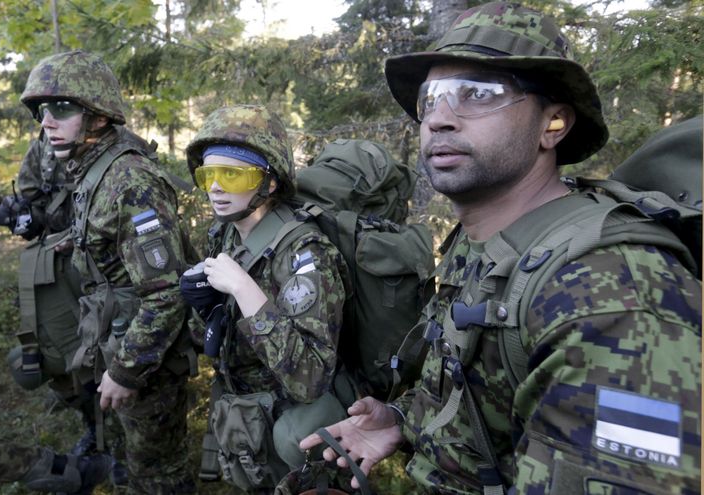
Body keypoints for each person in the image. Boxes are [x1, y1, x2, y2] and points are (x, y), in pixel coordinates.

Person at [300, 3, 701, 494]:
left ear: (552, 124)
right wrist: (405, 419)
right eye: (432, 99)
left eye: (478, 94)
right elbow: (488, 395)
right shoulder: (488, 247)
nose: (439, 120)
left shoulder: (610, 290)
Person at [19, 49, 199, 494]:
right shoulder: (91, 170)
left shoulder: (130, 182)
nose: (47, 122)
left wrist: (126, 370)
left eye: (61, 109)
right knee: (126, 462)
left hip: (146, 360)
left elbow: (166, 293)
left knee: (158, 475)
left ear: (98, 117)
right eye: (43, 111)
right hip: (114, 340)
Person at [181, 104, 350, 492]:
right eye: (208, 175)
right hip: (248, 415)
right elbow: (214, 343)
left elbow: (310, 379)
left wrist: (245, 290)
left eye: (232, 175)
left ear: (269, 183)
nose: (217, 188)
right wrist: (206, 309)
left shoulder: (306, 254)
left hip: (289, 423)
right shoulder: (223, 234)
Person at [0, 184, 112, 494]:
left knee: (85, 357)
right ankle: (79, 462)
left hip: (76, 268)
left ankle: (102, 449)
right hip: (52, 263)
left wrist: (30, 216)